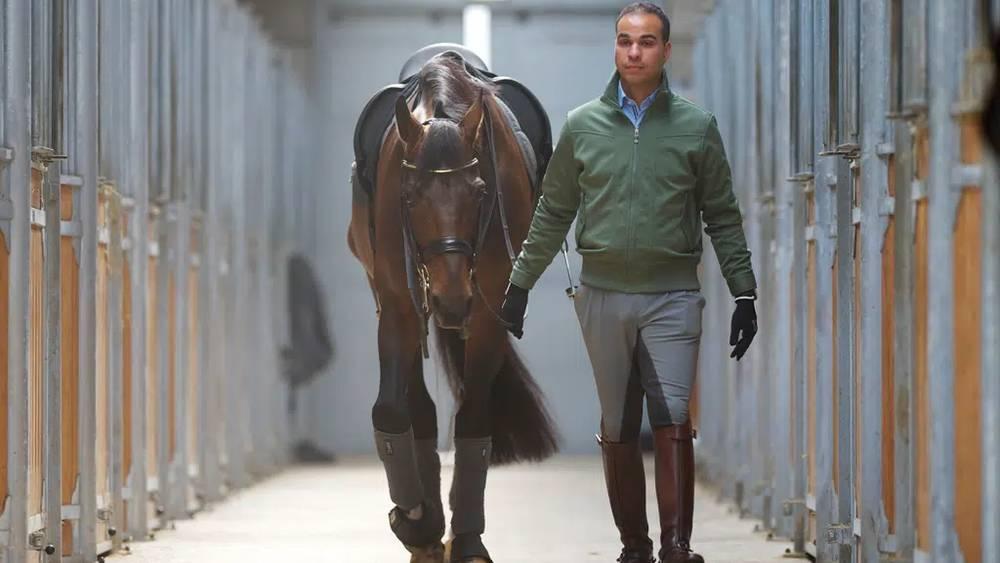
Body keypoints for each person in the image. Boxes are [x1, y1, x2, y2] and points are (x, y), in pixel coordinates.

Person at [499, 3, 759, 562]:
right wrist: (520, 284)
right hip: (602, 296)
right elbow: (553, 211)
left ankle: (675, 548)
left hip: (673, 297)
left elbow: (722, 215)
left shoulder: (696, 128)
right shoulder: (581, 126)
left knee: (671, 416)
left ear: (666, 51)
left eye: (645, 42)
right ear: (614, 49)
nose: (633, 52)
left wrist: (744, 291)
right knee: (617, 422)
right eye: (624, 41)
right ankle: (634, 547)